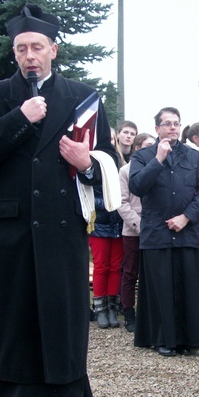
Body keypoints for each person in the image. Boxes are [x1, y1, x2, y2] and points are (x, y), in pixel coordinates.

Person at [0, 4, 114, 397]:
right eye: (22, 48)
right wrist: (18, 118)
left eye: (38, 47)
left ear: (54, 50)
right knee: (13, 320)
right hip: (12, 231)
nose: (30, 55)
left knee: (65, 318)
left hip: (63, 229)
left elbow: (105, 160)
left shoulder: (84, 97)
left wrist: (87, 165)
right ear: (15, 53)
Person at [129, 107, 199, 357]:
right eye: (167, 124)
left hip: (185, 231)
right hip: (157, 232)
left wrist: (187, 217)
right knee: (161, 289)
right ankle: (163, 338)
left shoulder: (193, 156)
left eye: (176, 123)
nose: (173, 127)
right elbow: (137, 186)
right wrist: (158, 160)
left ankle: (189, 339)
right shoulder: (144, 156)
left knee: (187, 286)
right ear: (157, 129)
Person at [118, 133, 155, 333]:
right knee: (131, 272)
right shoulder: (125, 170)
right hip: (133, 229)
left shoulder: (159, 167)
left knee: (151, 273)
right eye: (147, 145)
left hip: (156, 228)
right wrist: (139, 225)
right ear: (138, 147)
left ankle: (148, 311)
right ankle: (129, 312)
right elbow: (121, 202)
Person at [89, 135, 124, 329]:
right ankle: (100, 307)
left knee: (116, 266)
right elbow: (87, 196)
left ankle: (112, 306)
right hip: (99, 223)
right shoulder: (91, 163)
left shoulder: (121, 163)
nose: (110, 142)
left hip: (118, 223)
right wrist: (111, 203)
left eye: (113, 139)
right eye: (106, 138)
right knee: (101, 266)